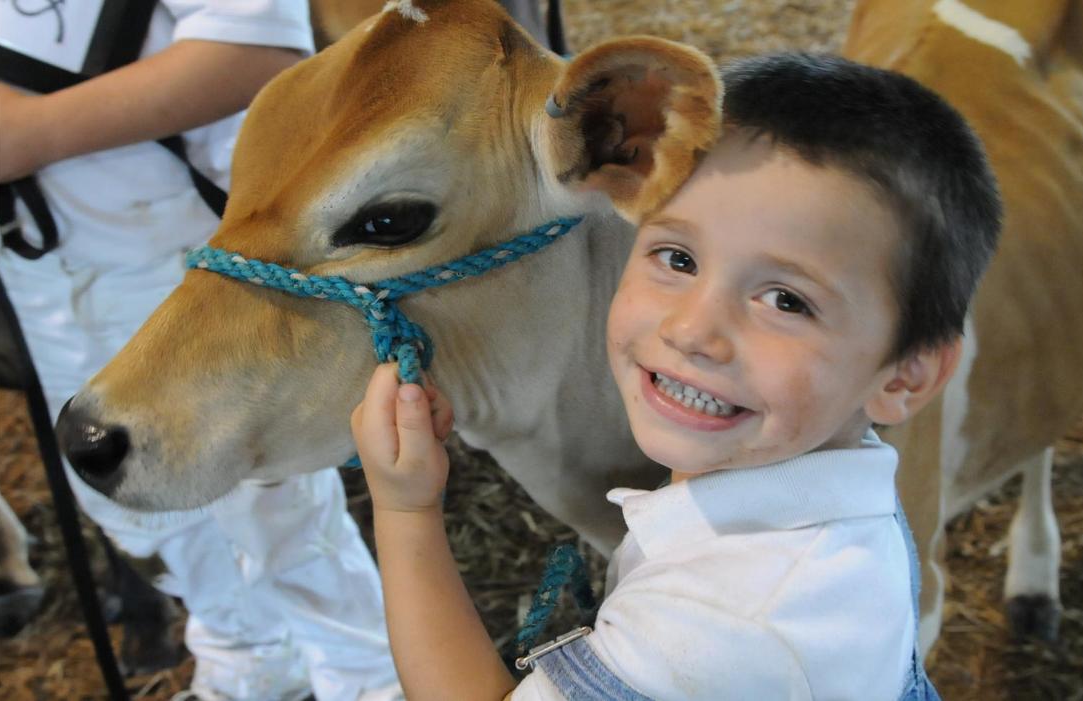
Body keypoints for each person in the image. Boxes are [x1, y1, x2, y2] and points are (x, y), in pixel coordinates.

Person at [350, 51, 1002, 699]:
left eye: (786, 300)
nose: (692, 329)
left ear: (905, 378)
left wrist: (406, 508)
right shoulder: (844, 490)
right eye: (678, 257)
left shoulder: (720, 626)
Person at [0, 3, 403, 699]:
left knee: (268, 499)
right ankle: (246, 656)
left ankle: (365, 675)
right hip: (41, 273)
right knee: (136, 496)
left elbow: (257, 49)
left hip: (185, 257)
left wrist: (27, 133)